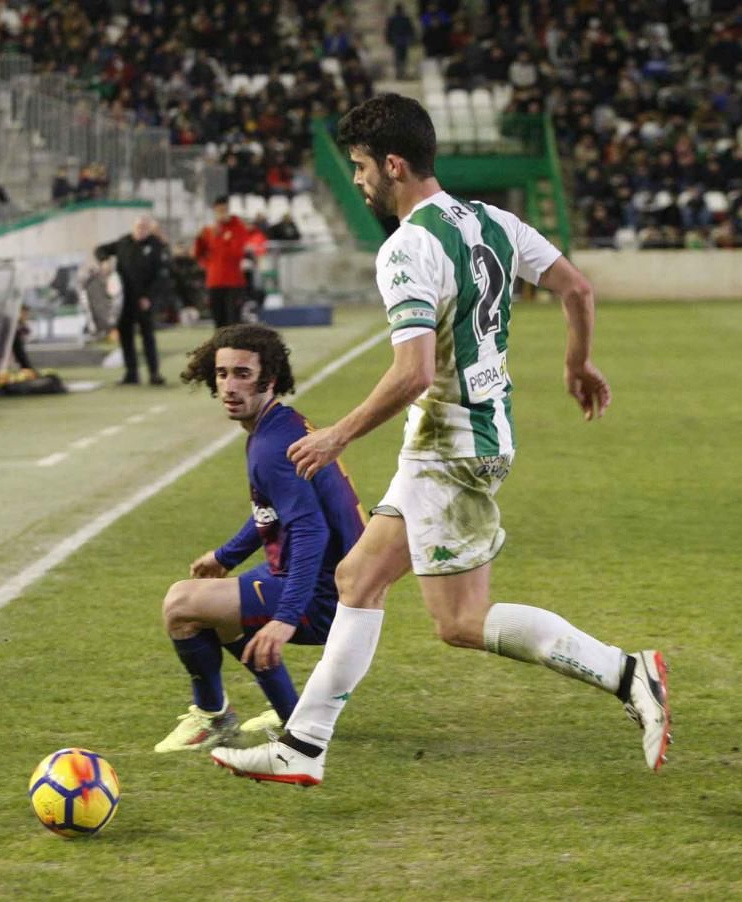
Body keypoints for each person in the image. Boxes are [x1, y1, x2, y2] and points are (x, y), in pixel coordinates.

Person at [212, 94, 671, 786]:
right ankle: (303, 745)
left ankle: (628, 671)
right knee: (357, 577)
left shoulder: (407, 247)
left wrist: (337, 434)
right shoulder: (493, 221)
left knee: (459, 621)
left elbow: (415, 369)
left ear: (394, 164)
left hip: (448, 444)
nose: (360, 180)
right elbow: (577, 289)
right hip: (473, 434)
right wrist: (576, 363)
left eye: (363, 167)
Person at [156, 324, 367, 753]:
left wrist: (286, 617)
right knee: (217, 601)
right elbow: (275, 512)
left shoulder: (271, 447)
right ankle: (294, 714)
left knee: (181, 605)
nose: (229, 386)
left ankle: (213, 717)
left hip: (327, 595)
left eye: (242, 374)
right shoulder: (282, 424)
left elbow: (310, 530)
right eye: (221, 374)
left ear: (269, 379)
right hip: (344, 581)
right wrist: (225, 555)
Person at [94, 216, 169, 386]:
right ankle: (131, 373)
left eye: (144, 227)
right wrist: (104, 261)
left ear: (149, 229)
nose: (140, 230)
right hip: (123, 300)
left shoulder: (156, 246)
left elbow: (160, 277)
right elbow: (100, 249)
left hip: (143, 299)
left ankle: (154, 373)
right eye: (138, 227)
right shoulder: (124, 242)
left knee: (147, 337)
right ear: (133, 227)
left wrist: (149, 297)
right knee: (126, 337)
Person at [193, 196, 249, 329]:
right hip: (214, 281)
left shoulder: (238, 228)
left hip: (234, 282)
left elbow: (237, 254)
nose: (221, 214)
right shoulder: (208, 230)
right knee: (218, 322)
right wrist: (199, 240)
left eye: (224, 210)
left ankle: (234, 349)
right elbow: (197, 254)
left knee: (233, 322)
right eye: (218, 211)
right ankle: (220, 349)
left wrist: (222, 238)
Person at [385, 5, 417, 80]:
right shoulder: (395, 19)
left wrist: (389, 40)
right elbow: (389, 30)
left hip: (401, 40)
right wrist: (389, 40)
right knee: (400, 58)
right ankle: (400, 73)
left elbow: (410, 29)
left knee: (401, 58)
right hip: (399, 40)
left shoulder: (404, 19)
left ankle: (401, 73)